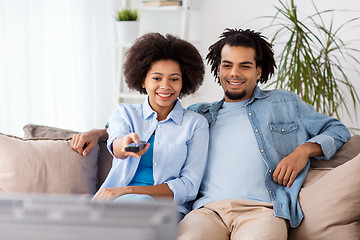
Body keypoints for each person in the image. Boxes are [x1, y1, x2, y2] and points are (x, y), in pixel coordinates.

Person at [72, 28, 351, 239]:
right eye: (227, 65)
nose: (234, 73)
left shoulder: (285, 104)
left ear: (260, 70)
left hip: (262, 210)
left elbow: (337, 129)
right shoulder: (200, 115)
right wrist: (101, 133)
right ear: (218, 68)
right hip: (207, 211)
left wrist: (303, 151)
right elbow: (155, 123)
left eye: (245, 66)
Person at [72, 32, 209, 218]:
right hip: (116, 204)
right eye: (157, 78)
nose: (165, 86)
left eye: (174, 79)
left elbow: (189, 186)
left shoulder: (195, 124)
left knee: (143, 205)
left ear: (184, 82)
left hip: (166, 211)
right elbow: (116, 143)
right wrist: (125, 144)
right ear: (143, 80)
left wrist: (127, 191)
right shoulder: (124, 113)